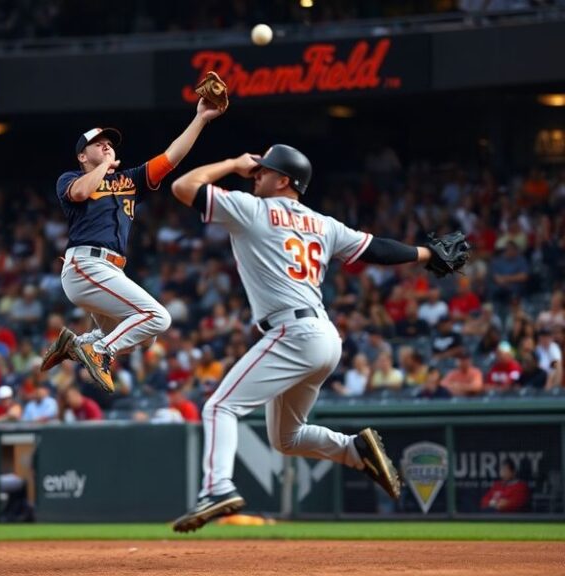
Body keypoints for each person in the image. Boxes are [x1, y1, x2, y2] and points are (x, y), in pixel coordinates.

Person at [168, 144, 465, 532]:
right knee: (287, 439)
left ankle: (217, 488)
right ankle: (355, 451)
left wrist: (232, 164)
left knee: (219, 407)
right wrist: (426, 254)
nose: (256, 173)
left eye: (265, 170)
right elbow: (377, 249)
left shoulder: (251, 209)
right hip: (324, 338)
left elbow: (183, 186)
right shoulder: (323, 223)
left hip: (294, 332)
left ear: (285, 180)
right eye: (256, 169)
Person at [40, 97, 226, 393]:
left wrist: (200, 118)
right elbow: (81, 192)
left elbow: (170, 158)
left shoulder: (129, 180)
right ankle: (99, 350)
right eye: (97, 143)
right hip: (86, 264)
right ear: (82, 157)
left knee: (146, 337)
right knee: (158, 317)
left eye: (108, 142)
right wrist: (104, 167)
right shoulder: (71, 177)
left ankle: (77, 345)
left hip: (110, 270)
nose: (105, 145)